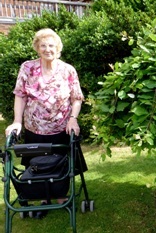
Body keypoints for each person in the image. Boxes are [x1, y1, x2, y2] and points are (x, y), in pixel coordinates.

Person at [5, 28, 84, 218]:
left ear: (57, 48)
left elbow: (77, 98)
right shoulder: (27, 68)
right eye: (43, 45)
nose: (47, 49)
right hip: (35, 128)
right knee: (37, 164)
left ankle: (60, 196)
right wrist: (17, 121)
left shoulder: (68, 70)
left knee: (62, 164)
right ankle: (43, 198)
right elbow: (20, 95)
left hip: (61, 127)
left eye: (51, 45)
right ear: (37, 48)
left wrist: (73, 119)